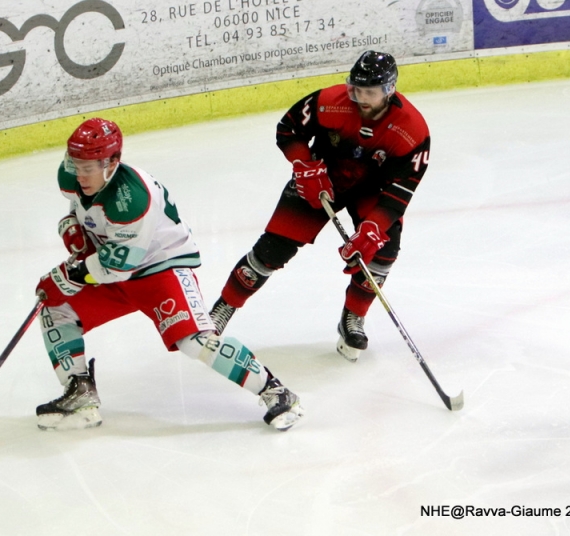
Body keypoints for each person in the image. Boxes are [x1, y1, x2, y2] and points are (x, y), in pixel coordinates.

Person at [33, 118, 304, 432]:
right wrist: (71, 225)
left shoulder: (133, 199)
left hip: (160, 269)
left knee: (195, 341)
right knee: (55, 309)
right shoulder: (72, 176)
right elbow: (80, 209)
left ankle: (275, 391)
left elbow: (118, 266)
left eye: (88, 168)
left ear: (112, 163)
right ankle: (80, 395)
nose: (80, 175)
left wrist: (69, 275)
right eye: (76, 165)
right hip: (114, 268)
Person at [209, 50, 430, 362]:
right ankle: (222, 308)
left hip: (372, 190)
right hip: (321, 179)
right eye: (356, 88)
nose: (360, 98)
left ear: (389, 90)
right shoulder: (329, 101)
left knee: (381, 250)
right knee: (273, 248)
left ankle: (353, 318)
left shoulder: (412, 130)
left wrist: (373, 227)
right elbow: (288, 129)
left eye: (369, 92)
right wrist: (304, 164)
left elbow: (400, 191)